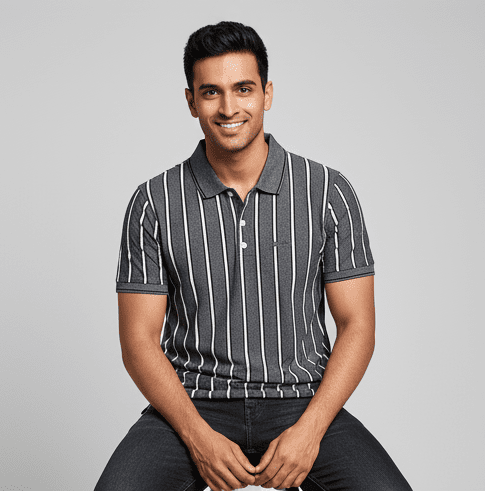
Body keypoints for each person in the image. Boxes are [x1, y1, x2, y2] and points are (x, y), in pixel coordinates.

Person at [95, 21, 413, 491]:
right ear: (191, 102)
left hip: (302, 400)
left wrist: (310, 431)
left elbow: (357, 325)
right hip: (193, 401)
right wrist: (198, 438)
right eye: (211, 92)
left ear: (267, 94)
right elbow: (138, 341)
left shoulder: (328, 192)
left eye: (243, 89)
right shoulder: (154, 202)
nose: (229, 108)